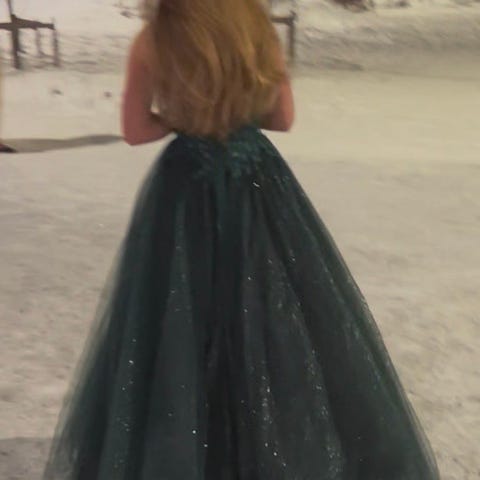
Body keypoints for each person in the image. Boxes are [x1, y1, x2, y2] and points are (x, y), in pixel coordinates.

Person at [42, 0, 440, 478]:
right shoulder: (257, 30)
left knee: (178, 313)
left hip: (185, 186)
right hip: (256, 180)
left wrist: (185, 120)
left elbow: (135, 130)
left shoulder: (155, 37)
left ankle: (187, 439)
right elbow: (283, 118)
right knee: (271, 308)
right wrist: (237, 114)